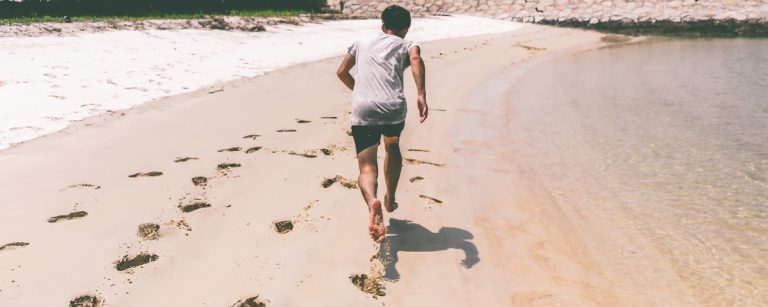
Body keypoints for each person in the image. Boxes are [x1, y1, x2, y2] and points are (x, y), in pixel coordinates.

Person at [336, 4, 428, 243]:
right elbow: (416, 59)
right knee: (392, 146)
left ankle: (372, 202)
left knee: (366, 167)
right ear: (406, 28)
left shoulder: (362, 41)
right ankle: (390, 199)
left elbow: (341, 71)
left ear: (382, 25)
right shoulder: (408, 44)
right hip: (392, 108)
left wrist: (360, 92)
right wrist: (421, 93)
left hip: (364, 109)